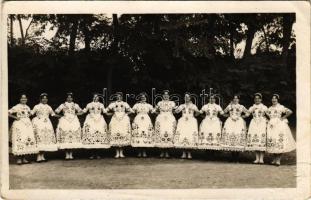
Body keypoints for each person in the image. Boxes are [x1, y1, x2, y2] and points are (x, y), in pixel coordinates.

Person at [266, 94, 296, 166]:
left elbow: (290, 111)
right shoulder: (269, 108)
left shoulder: (281, 107)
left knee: (279, 140)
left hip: (279, 125)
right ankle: (274, 159)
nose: (274, 100)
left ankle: (278, 160)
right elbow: (265, 113)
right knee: (273, 140)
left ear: (277, 100)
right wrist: (269, 120)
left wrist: (282, 118)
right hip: (271, 126)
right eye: (272, 99)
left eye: (275, 99)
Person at [8, 94, 38, 164]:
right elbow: (8, 112)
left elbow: (30, 114)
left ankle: (24, 158)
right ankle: (19, 158)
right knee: (20, 139)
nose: (24, 100)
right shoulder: (17, 106)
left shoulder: (27, 107)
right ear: (20, 99)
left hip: (27, 125)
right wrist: (15, 117)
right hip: (19, 124)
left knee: (26, 139)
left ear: (27, 99)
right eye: (22, 98)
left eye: (25, 98)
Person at [31, 93, 59, 162]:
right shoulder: (36, 106)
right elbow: (31, 113)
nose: (45, 100)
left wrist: (62, 116)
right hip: (39, 123)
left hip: (47, 124)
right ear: (40, 99)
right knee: (39, 138)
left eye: (46, 98)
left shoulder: (48, 107)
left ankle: (42, 156)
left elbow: (53, 114)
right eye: (43, 98)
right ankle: (38, 156)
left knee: (45, 138)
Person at [55, 92, 83, 160]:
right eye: (68, 97)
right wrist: (62, 116)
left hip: (73, 121)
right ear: (66, 98)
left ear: (72, 98)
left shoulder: (75, 105)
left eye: (70, 97)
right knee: (66, 136)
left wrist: (75, 114)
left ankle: (71, 153)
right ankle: (67, 154)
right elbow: (56, 111)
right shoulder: (63, 105)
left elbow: (81, 111)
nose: (69, 98)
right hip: (65, 121)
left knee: (72, 136)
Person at [82, 94, 110, 159]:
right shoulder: (89, 104)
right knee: (91, 134)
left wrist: (114, 113)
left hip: (99, 120)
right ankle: (92, 154)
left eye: (97, 97)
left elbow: (105, 112)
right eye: (94, 97)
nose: (96, 98)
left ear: (98, 98)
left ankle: (97, 153)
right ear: (93, 98)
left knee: (99, 135)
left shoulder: (101, 105)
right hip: (91, 120)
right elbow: (84, 111)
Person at [221, 95, 249, 161]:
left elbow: (248, 113)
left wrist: (241, 117)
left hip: (238, 122)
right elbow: (222, 112)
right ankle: (232, 156)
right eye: (234, 98)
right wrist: (228, 115)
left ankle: (237, 157)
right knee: (231, 136)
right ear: (233, 99)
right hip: (230, 122)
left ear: (239, 100)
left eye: (237, 98)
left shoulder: (241, 106)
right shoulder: (229, 106)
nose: (235, 99)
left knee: (238, 136)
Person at [106, 92, 132, 158]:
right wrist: (111, 114)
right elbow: (106, 110)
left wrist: (126, 114)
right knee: (116, 133)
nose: (119, 97)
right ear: (116, 97)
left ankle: (121, 152)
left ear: (122, 97)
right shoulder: (113, 104)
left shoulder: (124, 104)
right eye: (117, 96)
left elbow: (131, 111)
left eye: (120, 96)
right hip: (115, 120)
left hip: (123, 120)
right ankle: (117, 152)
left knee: (122, 133)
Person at [174, 93, 199, 159]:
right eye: (185, 97)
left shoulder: (193, 106)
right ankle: (184, 153)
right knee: (183, 135)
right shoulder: (182, 105)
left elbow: (198, 112)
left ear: (190, 98)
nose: (186, 98)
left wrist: (195, 114)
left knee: (189, 135)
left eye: (188, 97)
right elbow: (176, 112)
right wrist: (175, 107)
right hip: (183, 122)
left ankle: (189, 153)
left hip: (191, 122)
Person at [245, 93, 268, 164]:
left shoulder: (264, 107)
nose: (257, 100)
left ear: (261, 99)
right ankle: (257, 158)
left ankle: (261, 159)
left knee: (261, 139)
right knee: (255, 140)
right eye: (256, 98)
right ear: (254, 100)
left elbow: (269, 114)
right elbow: (247, 114)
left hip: (262, 123)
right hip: (254, 124)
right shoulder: (252, 107)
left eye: (258, 98)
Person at [154, 90, 176, 158]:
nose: (166, 96)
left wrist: (170, 115)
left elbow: (175, 111)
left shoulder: (172, 103)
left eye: (167, 95)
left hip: (169, 120)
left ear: (169, 96)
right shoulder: (159, 103)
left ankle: (167, 152)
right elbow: (155, 110)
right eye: (164, 95)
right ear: (163, 96)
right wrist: (160, 115)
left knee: (169, 133)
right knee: (161, 133)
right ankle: (162, 152)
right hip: (161, 120)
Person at [131, 93, 154, 157]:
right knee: (138, 133)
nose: (143, 99)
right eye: (142, 97)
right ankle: (139, 152)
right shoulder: (136, 105)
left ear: (146, 98)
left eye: (144, 98)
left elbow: (153, 111)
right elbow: (131, 111)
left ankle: (144, 152)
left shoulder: (149, 105)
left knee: (145, 133)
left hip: (146, 121)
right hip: (138, 120)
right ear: (140, 98)